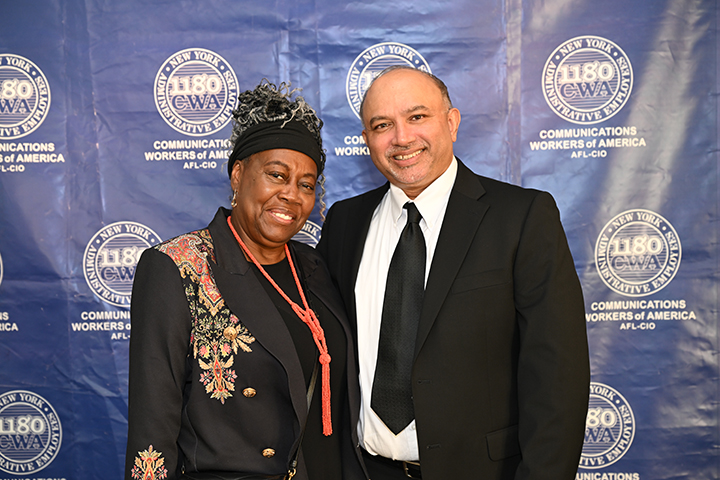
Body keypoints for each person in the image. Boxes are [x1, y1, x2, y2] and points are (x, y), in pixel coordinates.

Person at [316, 65, 590, 480]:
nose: (402, 137)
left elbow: (557, 378)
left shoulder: (521, 218)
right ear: (366, 139)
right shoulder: (344, 222)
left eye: (417, 116)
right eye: (382, 125)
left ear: (451, 122)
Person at [125, 80, 366, 480]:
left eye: (306, 185)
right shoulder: (179, 265)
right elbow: (153, 428)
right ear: (238, 175)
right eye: (276, 175)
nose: (291, 194)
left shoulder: (313, 266)